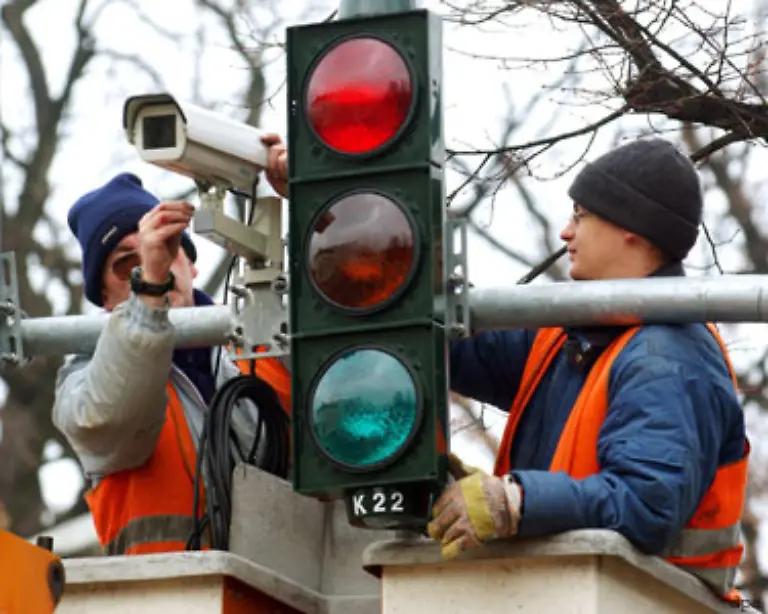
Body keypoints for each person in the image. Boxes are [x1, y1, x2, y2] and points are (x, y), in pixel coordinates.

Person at [262, 135, 748, 602]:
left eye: (581, 215)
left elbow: (645, 504)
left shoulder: (668, 357)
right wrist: (337, 210)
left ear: (631, 230)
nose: (566, 232)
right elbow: (442, 341)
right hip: (568, 594)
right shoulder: (572, 336)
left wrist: (515, 501)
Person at [52, 169, 291, 555]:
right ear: (105, 298)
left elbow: (341, 318)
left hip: (287, 585)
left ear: (191, 265)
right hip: (170, 588)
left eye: (166, 247)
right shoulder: (81, 378)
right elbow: (110, 418)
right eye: (126, 264)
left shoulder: (265, 342)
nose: (154, 263)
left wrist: (303, 201)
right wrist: (149, 288)